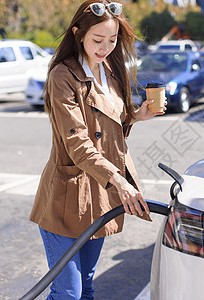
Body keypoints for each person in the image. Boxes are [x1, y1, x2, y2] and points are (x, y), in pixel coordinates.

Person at [29, 1, 166, 298]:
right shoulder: (62, 77)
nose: (105, 48)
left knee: (87, 285)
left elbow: (108, 128)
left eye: (113, 40)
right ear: (78, 33)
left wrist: (135, 116)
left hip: (98, 197)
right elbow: (79, 143)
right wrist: (120, 182)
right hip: (65, 200)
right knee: (69, 293)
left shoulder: (111, 72)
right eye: (98, 40)